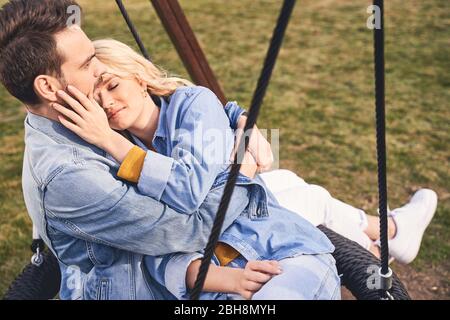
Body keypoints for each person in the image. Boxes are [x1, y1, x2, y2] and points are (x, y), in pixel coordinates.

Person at [0, 0, 339, 300]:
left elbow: (191, 104)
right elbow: (193, 228)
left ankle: (378, 229)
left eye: (110, 79)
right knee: (287, 188)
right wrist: (243, 170)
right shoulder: (75, 170)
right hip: (166, 279)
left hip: (247, 256)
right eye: (88, 65)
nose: (99, 79)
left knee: (292, 189)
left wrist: (240, 118)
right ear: (47, 87)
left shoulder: (80, 121)